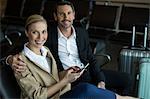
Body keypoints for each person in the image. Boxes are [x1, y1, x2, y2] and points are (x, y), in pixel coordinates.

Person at [7, 0, 132, 96]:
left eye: (68, 13)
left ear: (73, 15)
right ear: (56, 16)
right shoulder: (46, 33)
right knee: (101, 92)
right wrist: (9, 59)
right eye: (61, 14)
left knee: (126, 79)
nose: (66, 17)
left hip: (87, 72)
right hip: (69, 77)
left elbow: (91, 58)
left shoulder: (82, 33)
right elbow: (21, 44)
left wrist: (101, 80)